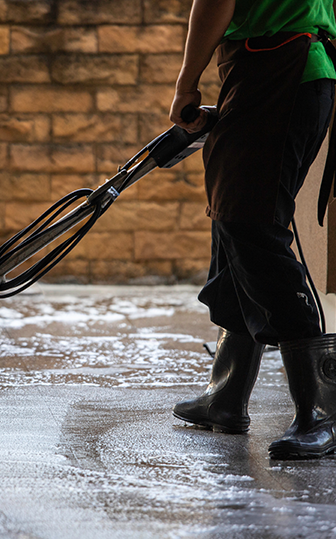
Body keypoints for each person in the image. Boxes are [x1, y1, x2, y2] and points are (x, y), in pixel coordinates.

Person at [169, 0, 336, 459]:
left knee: (250, 225)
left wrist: (185, 84)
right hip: (280, 70)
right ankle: (226, 393)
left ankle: (322, 409)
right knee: (233, 218)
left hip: (280, 69)